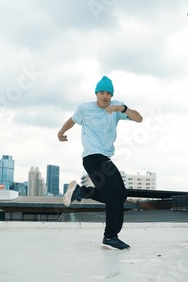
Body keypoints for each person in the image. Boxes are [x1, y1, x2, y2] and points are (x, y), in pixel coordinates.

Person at [58, 75, 143, 250]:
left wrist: (124, 108)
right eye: (102, 92)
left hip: (104, 158)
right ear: (96, 94)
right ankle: (110, 236)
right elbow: (71, 121)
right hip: (92, 157)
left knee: (121, 195)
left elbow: (139, 118)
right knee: (113, 197)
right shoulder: (85, 108)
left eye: (108, 93)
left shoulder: (116, 107)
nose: (105, 96)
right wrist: (61, 133)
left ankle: (80, 192)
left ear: (111, 95)